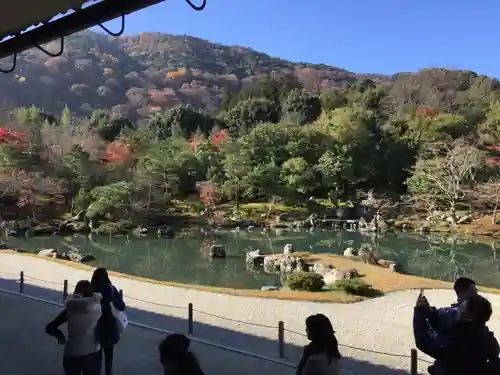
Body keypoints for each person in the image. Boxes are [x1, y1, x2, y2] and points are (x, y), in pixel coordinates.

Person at [414, 291, 500, 375]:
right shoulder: (484, 335)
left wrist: (418, 313)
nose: (457, 311)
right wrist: (428, 311)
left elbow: (424, 343)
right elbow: (447, 330)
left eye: (461, 309)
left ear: (470, 317)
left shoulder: (464, 341)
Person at [45, 280, 102, 375]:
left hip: (73, 351)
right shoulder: (98, 307)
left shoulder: (71, 309)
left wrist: (60, 337)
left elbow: (50, 328)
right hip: (93, 351)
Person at [91, 268, 126, 375]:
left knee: (95, 354)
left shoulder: (90, 289)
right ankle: (108, 372)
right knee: (108, 353)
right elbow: (121, 307)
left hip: (93, 324)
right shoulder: (111, 289)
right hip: (108, 325)